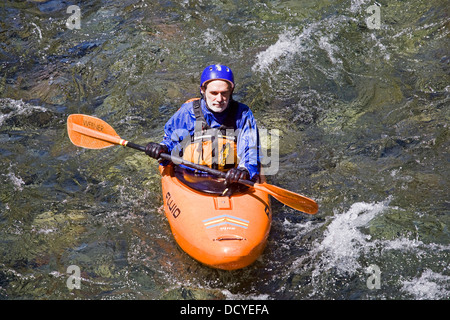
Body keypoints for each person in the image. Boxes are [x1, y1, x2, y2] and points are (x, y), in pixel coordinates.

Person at [145, 64, 261, 192]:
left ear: (231, 91)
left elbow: (250, 149)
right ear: (203, 90)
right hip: (189, 177)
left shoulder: (243, 114)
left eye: (224, 93)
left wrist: (243, 170)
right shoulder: (187, 113)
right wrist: (162, 148)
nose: (219, 99)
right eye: (214, 93)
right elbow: (172, 141)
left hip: (230, 178)